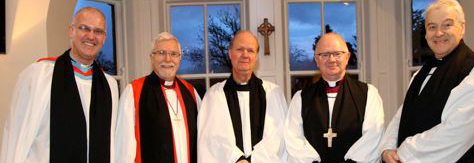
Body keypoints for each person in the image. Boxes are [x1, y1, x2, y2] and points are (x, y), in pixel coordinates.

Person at [381, 0, 474, 162]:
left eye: (447, 25)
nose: (438, 33)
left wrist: (404, 152)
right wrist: (387, 148)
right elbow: (401, 117)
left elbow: (457, 132)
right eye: (432, 27)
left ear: (462, 28)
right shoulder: (420, 74)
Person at [0, 7, 119, 163]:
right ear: (71, 31)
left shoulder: (109, 85)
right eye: (84, 28)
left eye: (98, 31)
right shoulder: (40, 74)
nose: (91, 36)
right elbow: (17, 136)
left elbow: (111, 143)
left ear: (104, 38)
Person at [284, 33, 385, 163]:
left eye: (337, 54)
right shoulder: (301, 98)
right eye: (324, 55)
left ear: (347, 57)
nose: (331, 60)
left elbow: (373, 137)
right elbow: (294, 140)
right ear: (316, 59)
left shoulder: (368, 94)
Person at [197, 30, 287, 163]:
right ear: (230, 53)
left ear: (256, 56)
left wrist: (255, 159)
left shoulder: (273, 93)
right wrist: (236, 159)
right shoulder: (214, 95)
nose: (245, 55)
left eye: (250, 50)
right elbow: (209, 139)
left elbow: (280, 136)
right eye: (239, 49)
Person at [115, 32, 202, 163]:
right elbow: (124, 149)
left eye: (173, 54)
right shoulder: (134, 92)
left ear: (179, 58)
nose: (168, 59)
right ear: (151, 57)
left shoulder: (191, 92)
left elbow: (202, 142)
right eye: (161, 53)